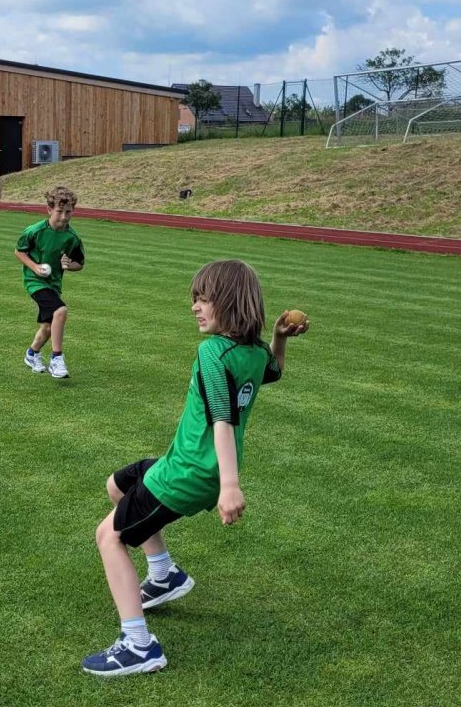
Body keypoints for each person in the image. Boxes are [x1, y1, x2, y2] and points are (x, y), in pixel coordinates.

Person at [80, 260, 309, 677]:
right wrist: (278, 338)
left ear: (229, 303)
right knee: (119, 485)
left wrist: (230, 486)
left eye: (204, 299)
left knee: (108, 536)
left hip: (190, 472)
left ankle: (138, 645)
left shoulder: (212, 352)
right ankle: (164, 575)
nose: (195, 307)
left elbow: (223, 418)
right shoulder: (254, 351)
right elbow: (273, 372)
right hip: (188, 464)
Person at [14, 186, 85, 380]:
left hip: (53, 284)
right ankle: (57, 358)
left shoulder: (72, 238)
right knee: (60, 311)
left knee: (48, 326)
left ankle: (32, 354)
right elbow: (19, 251)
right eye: (59, 211)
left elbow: (80, 264)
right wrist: (35, 267)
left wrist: (69, 265)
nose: (64, 216)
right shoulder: (35, 231)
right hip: (34, 281)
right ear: (49, 209)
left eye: (68, 212)